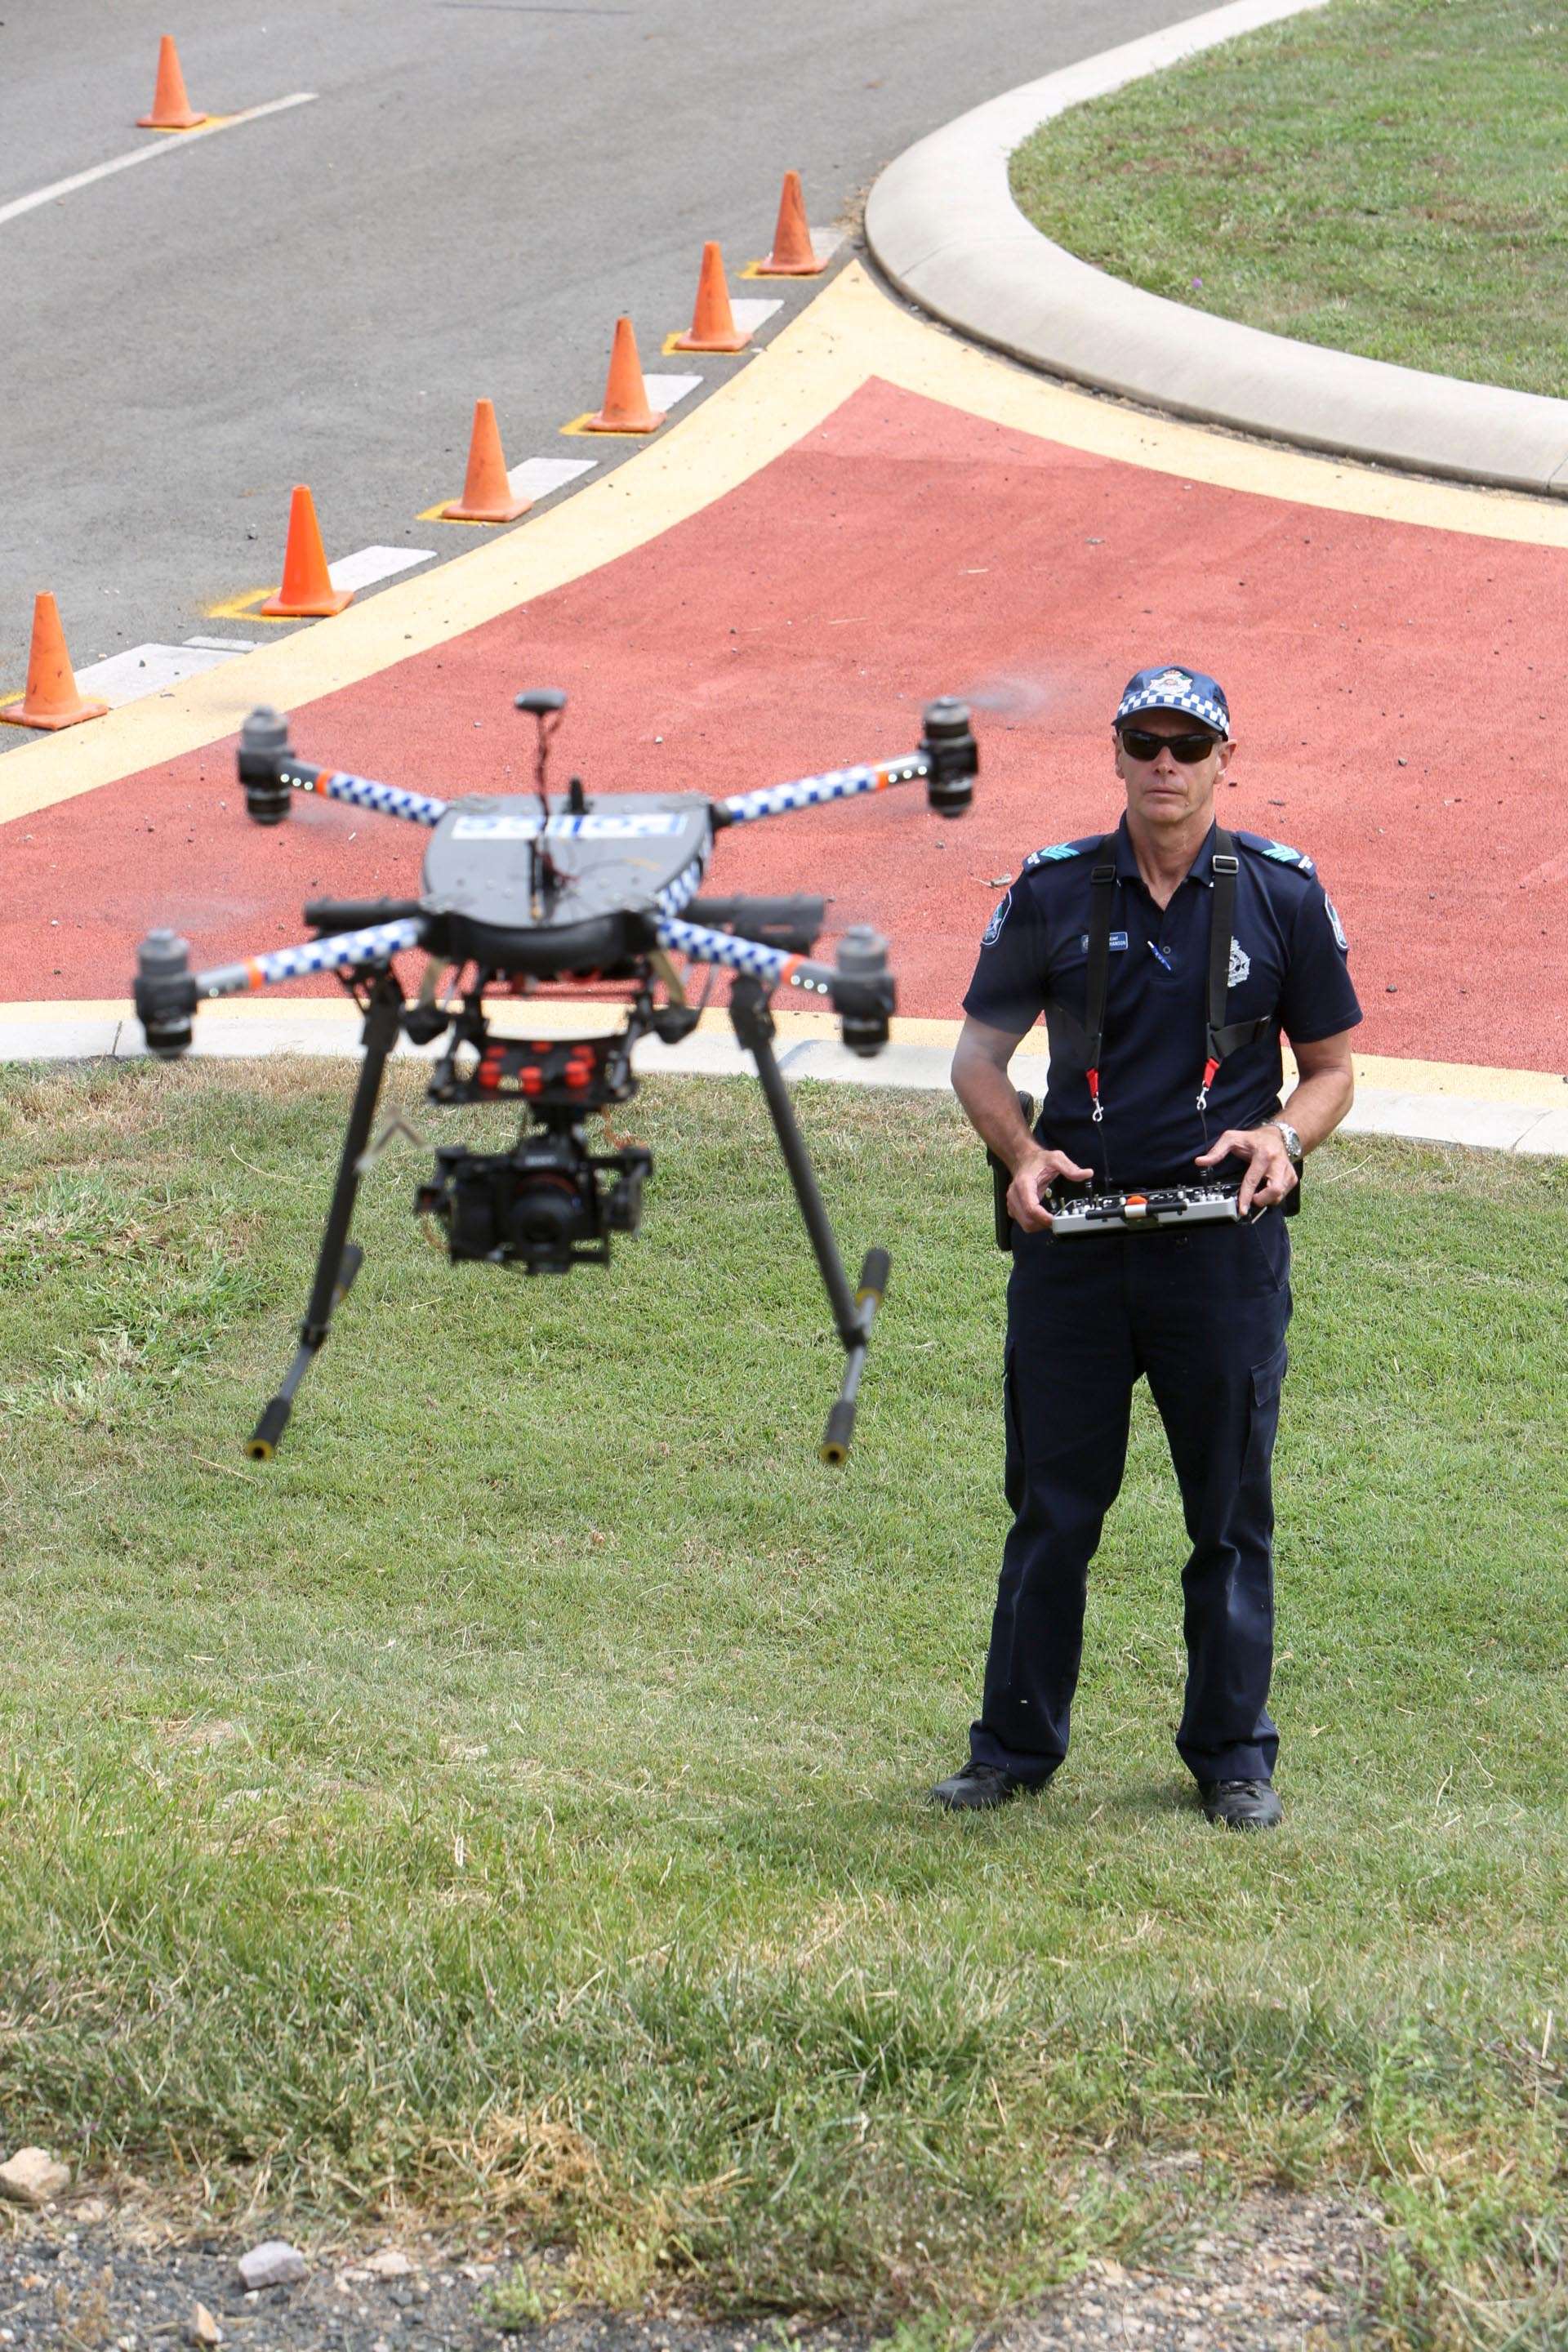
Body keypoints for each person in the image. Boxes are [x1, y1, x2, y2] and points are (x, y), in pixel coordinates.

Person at [936, 665, 1361, 1829]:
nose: (1166, 764)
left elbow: (1331, 1070)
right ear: (1116, 756)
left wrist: (1282, 1138)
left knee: (1227, 1515)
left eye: (1189, 745)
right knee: (1052, 1510)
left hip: (1220, 1253)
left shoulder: (1281, 895)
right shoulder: (1051, 890)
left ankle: (1233, 1759)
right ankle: (1012, 1753)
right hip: (1074, 1246)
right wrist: (1021, 1152)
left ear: (1227, 760)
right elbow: (977, 1059)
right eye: (1145, 743)